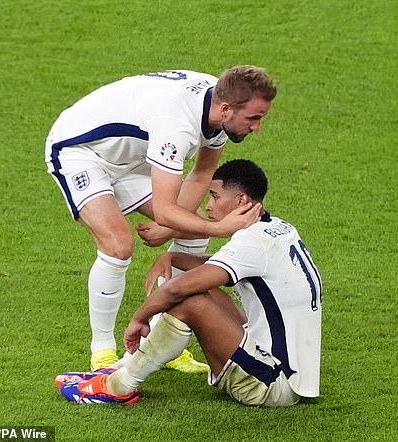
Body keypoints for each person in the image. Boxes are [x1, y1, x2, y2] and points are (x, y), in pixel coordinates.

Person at [45, 67, 277, 372]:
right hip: (81, 151)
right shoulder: (176, 124)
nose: (257, 127)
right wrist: (217, 228)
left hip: (132, 158)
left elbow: (202, 174)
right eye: (254, 118)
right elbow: (169, 210)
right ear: (226, 109)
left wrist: (169, 227)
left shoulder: (220, 105)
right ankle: (102, 352)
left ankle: (161, 338)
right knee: (118, 245)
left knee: (191, 233)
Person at [55, 159, 323, 407]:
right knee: (201, 287)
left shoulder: (251, 244)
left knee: (190, 299)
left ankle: (118, 385)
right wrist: (173, 257)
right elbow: (216, 267)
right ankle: (122, 372)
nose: (207, 205)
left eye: (215, 196)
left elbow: (178, 288)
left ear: (241, 200)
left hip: (270, 384)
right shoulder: (278, 228)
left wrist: (139, 318)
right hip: (291, 375)